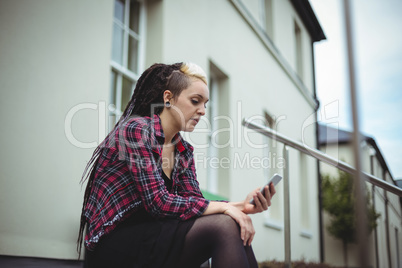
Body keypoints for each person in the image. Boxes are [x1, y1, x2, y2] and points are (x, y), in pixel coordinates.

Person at [77, 62, 276, 268]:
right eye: (195, 101)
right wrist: (228, 209)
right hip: (114, 244)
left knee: (232, 223)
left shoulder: (183, 151)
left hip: (154, 236)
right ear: (168, 98)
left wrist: (243, 206)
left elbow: (194, 203)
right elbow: (159, 202)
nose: (202, 111)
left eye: (205, 104)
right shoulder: (136, 130)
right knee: (224, 224)